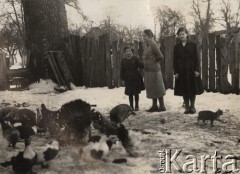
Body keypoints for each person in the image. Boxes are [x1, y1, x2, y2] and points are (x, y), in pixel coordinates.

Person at [173, 27, 204, 114]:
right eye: (179, 35)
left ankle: (193, 106)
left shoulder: (193, 45)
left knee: (192, 88)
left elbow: (197, 59)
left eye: (183, 34)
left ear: (187, 34)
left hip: (191, 70)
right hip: (181, 71)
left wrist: (197, 70)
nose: (181, 36)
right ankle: (187, 106)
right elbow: (174, 61)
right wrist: (176, 72)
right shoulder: (177, 47)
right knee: (184, 88)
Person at [142, 29, 166, 112]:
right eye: (143, 36)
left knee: (158, 88)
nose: (143, 37)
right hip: (148, 71)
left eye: (144, 36)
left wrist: (152, 61)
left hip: (155, 70)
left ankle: (162, 106)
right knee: (152, 88)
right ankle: (154, 106)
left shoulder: (153, 44)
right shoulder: (147, 45)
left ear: (149, 36)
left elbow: (160, 56)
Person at [120, 46, 145, 111]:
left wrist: (145, 62)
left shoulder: (135, 59)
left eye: (129, 51)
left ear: (132, 52)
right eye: (127, 51)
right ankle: (131, 106)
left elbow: (141, 65)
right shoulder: (123, 61)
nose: (128, 52)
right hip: (128, 79)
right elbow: (122, 71)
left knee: (136, 93)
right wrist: (122, 79)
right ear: (124, 53)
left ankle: (137, 106)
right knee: (130, 93)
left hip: (136, 78)